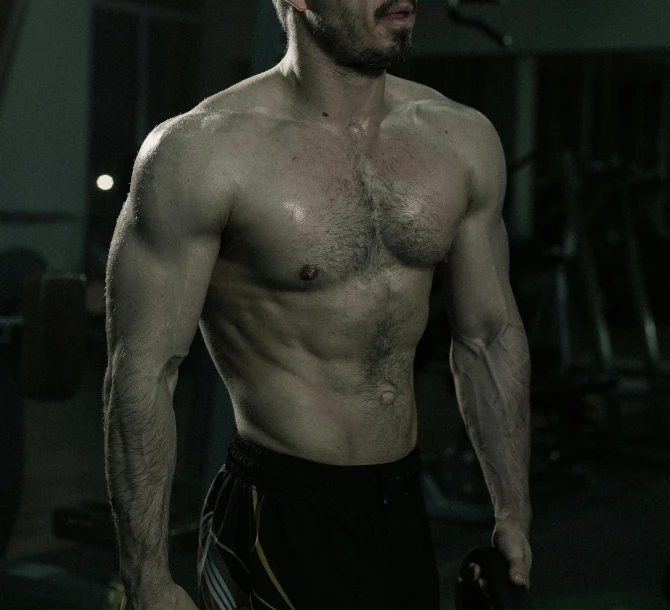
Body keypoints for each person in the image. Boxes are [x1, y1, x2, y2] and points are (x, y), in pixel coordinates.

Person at [103, 0, 533, 608]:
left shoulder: (458, 137)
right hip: (276, 514)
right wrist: (146, 576)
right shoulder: (202, 151)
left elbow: (488, 336)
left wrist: (512, 510)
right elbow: (143, 370)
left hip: (401, 505)